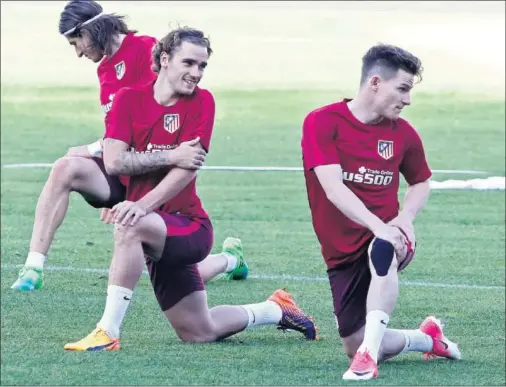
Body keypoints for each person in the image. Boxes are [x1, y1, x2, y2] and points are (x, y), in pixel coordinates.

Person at [63, 26, 318, 351]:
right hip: (153, 228)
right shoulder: (129, 99)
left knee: (128, 225)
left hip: (188, 227)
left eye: (202, 66)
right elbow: (114, 162)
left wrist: (141, 206)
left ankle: (107, 332)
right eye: (189, 63)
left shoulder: (202, 103)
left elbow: (184, 171)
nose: (196, 73)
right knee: (199, 330)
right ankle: (275, 309)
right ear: (165, 59)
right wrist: (169, 155)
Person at [11, 0, 248, 292]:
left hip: (154, 179)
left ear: (91, 30)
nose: (79, 52)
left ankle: (228, 260)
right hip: (125, 171)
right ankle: (33, 268)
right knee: (65, 167)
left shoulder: (146, 50)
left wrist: (93, 151)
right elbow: (120, 130)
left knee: (163, 275)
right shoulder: (105, 70)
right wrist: (104, 164)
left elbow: (155, 120)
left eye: (77, 42)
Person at [301, 44, 461, 380]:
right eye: (402, 89)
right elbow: (333, 188)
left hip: (386, 236)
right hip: (342, 248)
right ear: (375, 82)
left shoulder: (403, 134)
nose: (408, 99)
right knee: (352, 341)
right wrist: (378, 225)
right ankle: (424, 338)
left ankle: (367, 361)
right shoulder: (322, 122)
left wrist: (403, 219)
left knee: (384, 248)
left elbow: (421, 182)